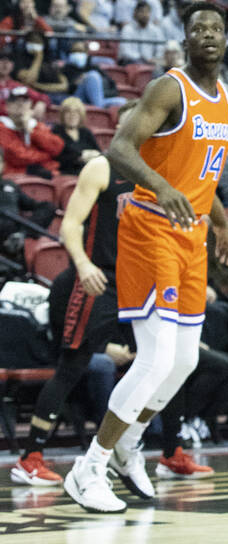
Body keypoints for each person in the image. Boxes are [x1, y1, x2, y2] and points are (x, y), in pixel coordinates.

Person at [63, 2, 228, 513]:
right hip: (150, 229)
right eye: (197, 28)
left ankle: (127, 445)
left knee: (184, 360)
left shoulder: (225, 101)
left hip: (193, 236)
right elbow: (118, 148)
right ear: (185, 40)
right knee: (157, 356)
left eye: (216, 28)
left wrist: (225, 224)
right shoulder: (170, 88)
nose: (208, 34)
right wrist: (160, 187)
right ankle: (87, 469)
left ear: (226, 40)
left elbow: (204, 176)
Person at [10, 153, 132, 487]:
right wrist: (83, 264)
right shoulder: (104, 167)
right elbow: (70, 225)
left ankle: (165, 450)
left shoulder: (155, 173)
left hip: (134, 282)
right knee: (72, 366)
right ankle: (30, 457)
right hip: (93, 278)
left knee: (164, 360)